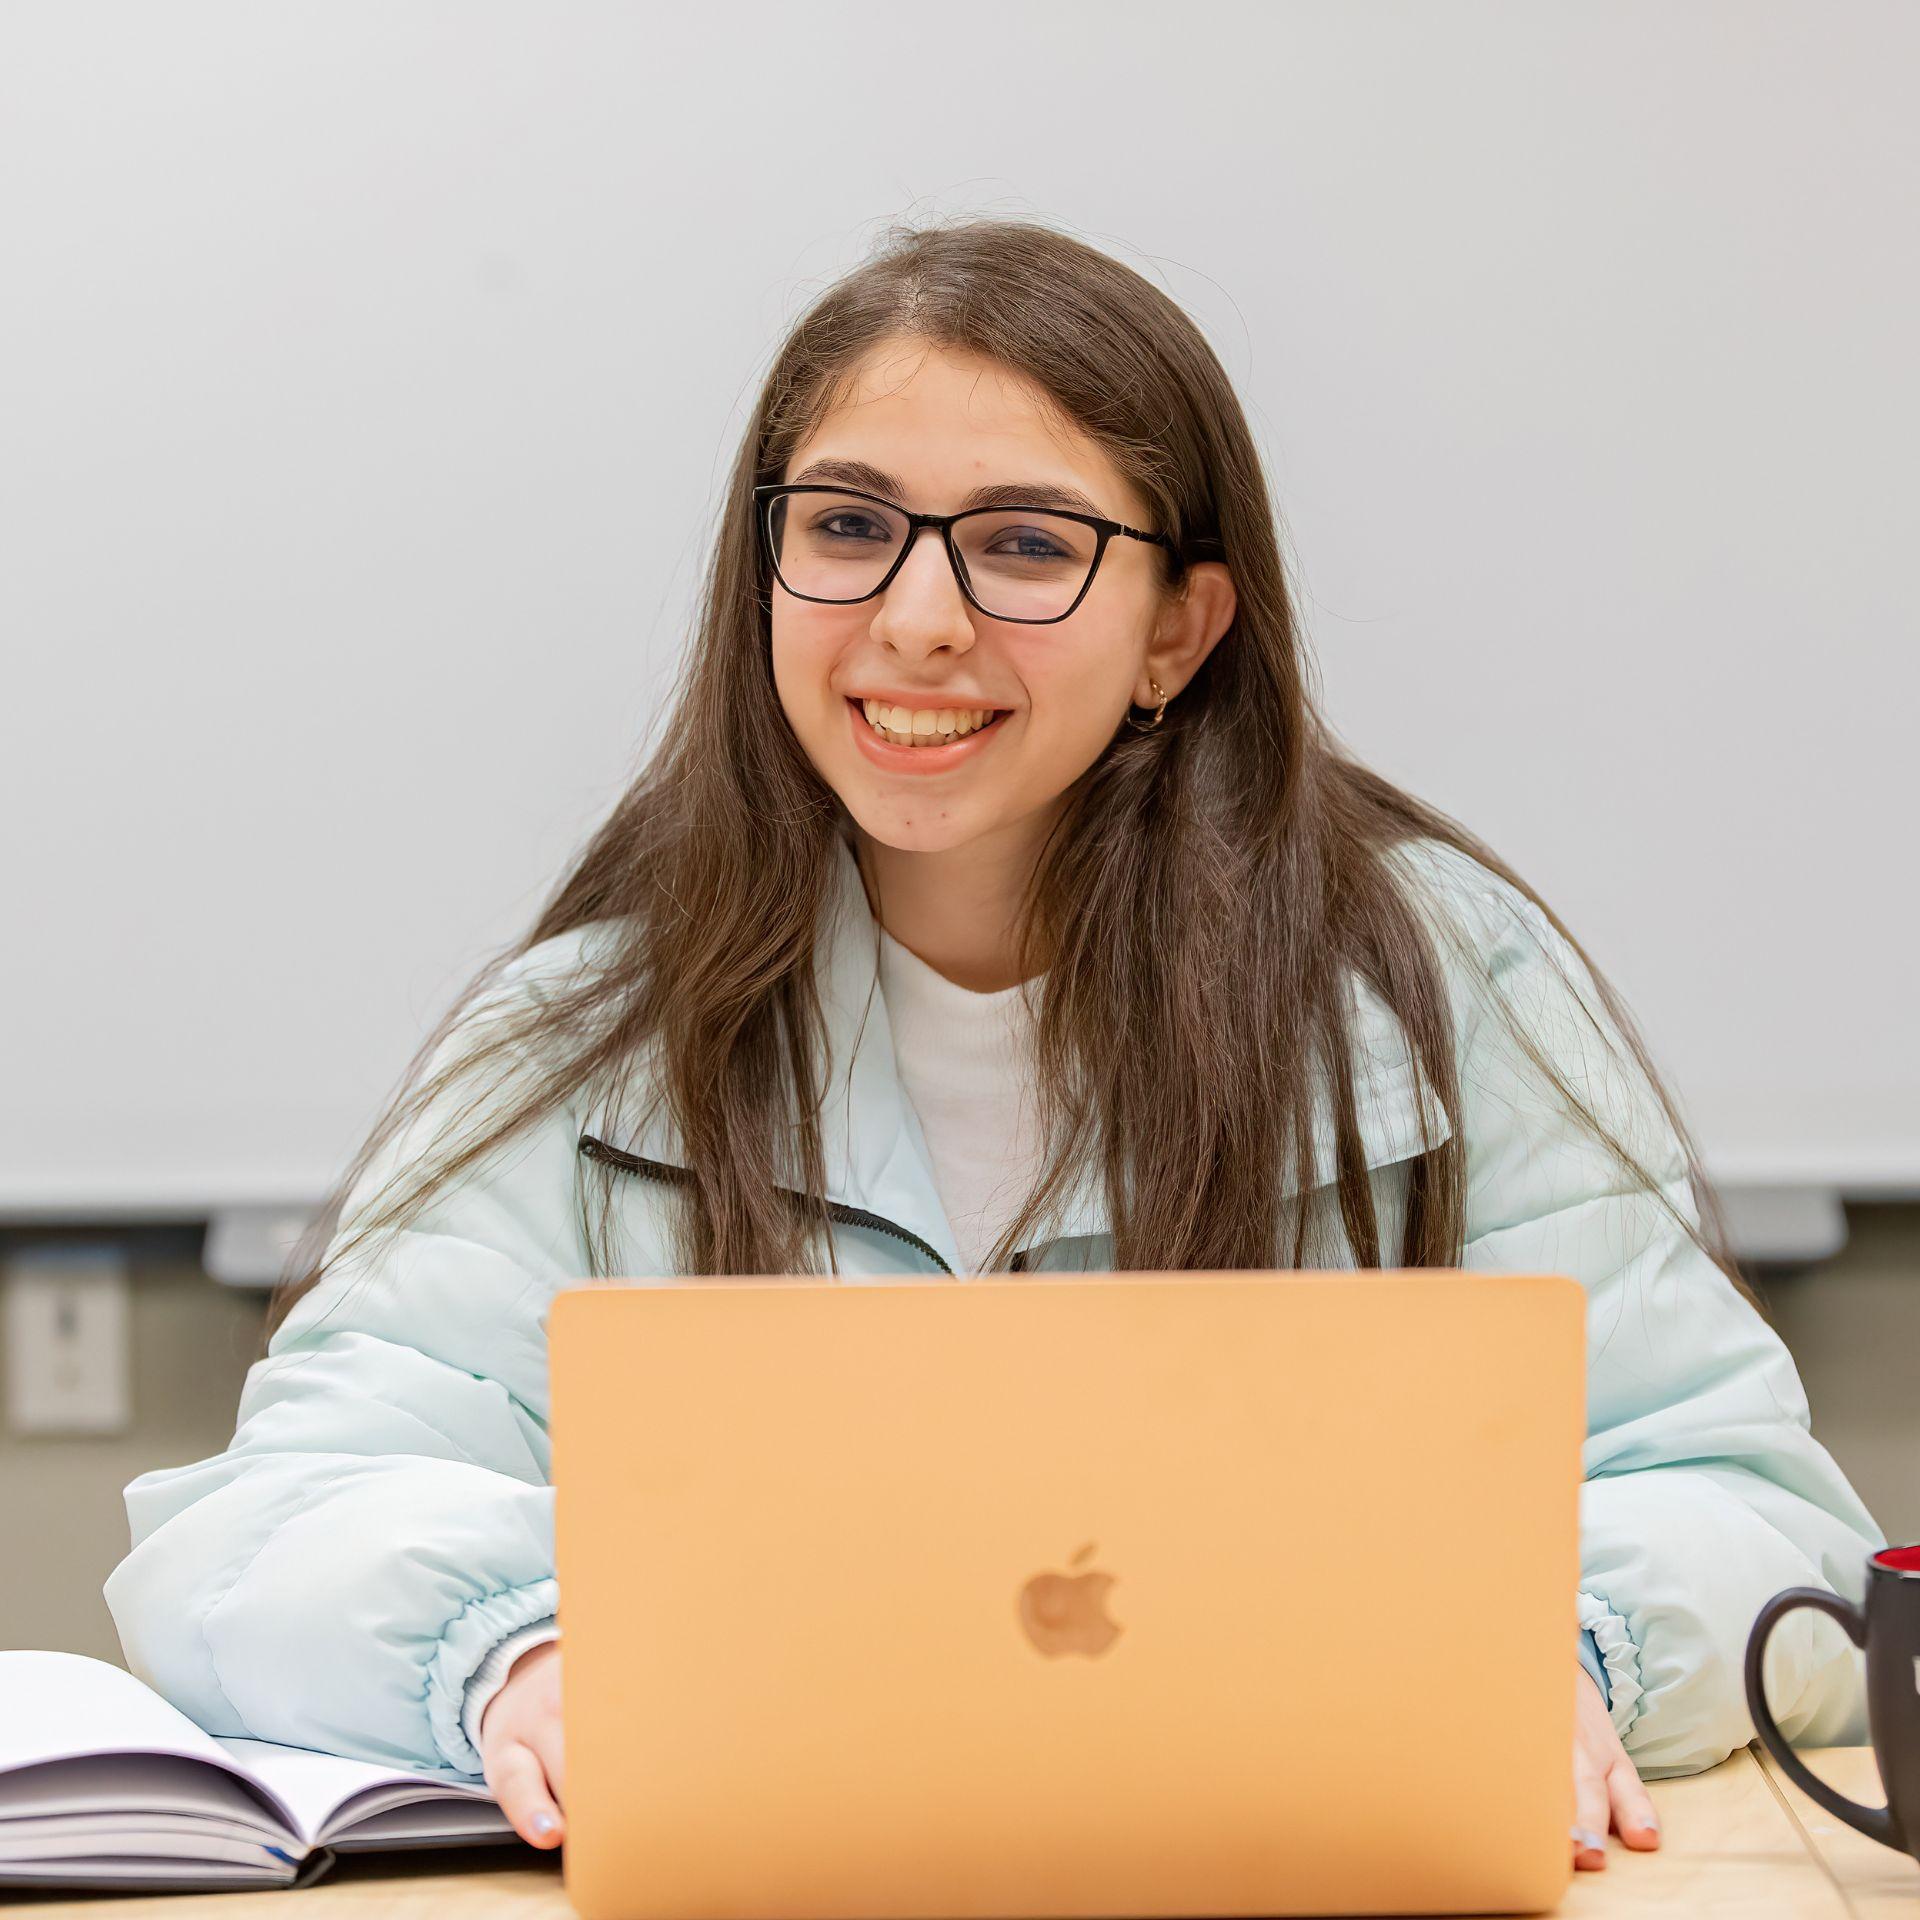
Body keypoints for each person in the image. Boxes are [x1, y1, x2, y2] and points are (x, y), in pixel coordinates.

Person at [103, 215, 1885, 1876]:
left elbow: (1744, 1501)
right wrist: (510, 1656)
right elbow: (271, 1524)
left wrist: (1542, 1647)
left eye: (1027, 544)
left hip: (1298, 1876)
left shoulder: (1429, 978)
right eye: (847, 525)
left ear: (1179, 631)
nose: (919, 618)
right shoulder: (592, 1031)